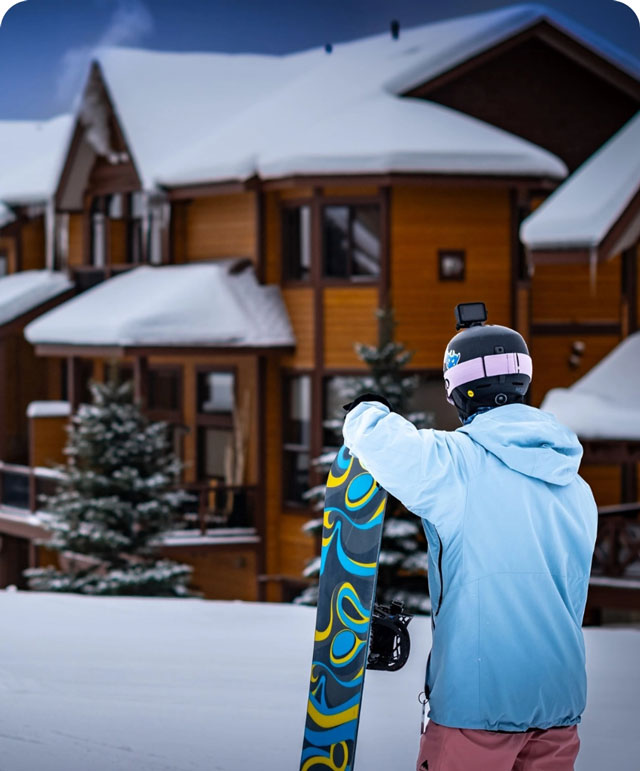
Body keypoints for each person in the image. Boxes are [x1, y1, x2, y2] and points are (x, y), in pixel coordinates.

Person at [341, 303, 598, 771]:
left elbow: (380, 441)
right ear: (523, 382)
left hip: (478, 704)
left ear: (458, 391)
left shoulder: (453, 464)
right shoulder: (575, 484)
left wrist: (365, 410)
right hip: (559, 701)